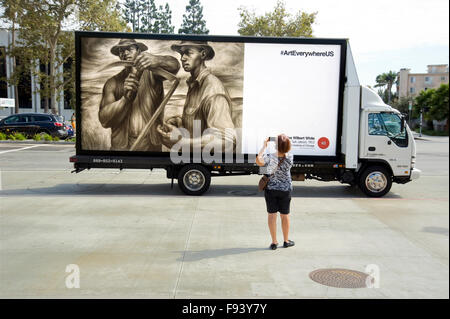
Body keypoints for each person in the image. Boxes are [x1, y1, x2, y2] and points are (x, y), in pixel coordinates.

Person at [98, 38, 180, 151]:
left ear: (139, 51)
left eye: (129, 49)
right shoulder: (112, 83)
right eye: (121, 50)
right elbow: (104, 120)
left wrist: (157, 60)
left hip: (151, 145)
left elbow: (175, 66)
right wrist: (125, 99)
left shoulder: (153, 75)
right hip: (122, 148)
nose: (125, 53)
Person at [156, 40, 236, 153]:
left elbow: (226, 141)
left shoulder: (213, 89)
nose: (182, 58)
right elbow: (199, 121)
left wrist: (181, 143)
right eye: (181, 54)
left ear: (203, 54)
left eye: (188, 52)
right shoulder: (194, 85)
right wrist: (179, 122)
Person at [256, 134, 295, 250]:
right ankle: (286, 240)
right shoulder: (290, 157)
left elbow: (258, 160)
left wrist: (264, 146)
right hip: (285, 190)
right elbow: (285, 152)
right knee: (285, 215)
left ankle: (274, 242)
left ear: (276, 145)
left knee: (272, 215)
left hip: (271, 190)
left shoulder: (269, 157)